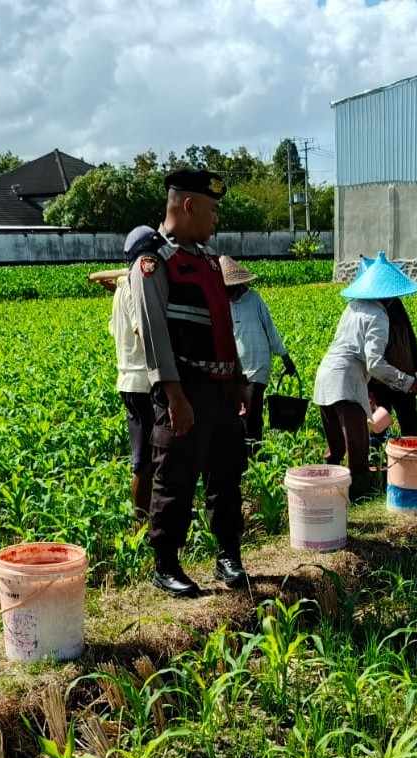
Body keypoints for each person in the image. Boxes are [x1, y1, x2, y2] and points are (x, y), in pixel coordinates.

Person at [131, 170, 248, 599]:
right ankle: (166, 563)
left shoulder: (208, 261)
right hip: (185, 389)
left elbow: (223, 328)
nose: (216, 218)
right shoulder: (153, 262)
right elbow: (154, 332)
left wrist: (236, 382)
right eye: (212, 209)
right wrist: (174, 393)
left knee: (227, 474)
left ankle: (228, 555)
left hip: (219, 388)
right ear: (188, 206)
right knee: (175, 477)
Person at [314, 252, 417, 500]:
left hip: (324, 379)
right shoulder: (379, 315)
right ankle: (356, 501)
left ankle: (323, 498)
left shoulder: (353, 306)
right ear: (386, 293)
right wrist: (407, 383)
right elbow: (375, 363)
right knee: (358, 452)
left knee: (335, 450)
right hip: (346, 382)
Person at [104, 225, 166, 520]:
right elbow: (144, 332)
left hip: (130, 380)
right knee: (144, 459)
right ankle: (141, 523)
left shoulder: (121, 287)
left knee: (151, 456)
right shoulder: (131, 286)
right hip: (142, 382)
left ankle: (149, 516)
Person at [219, 255, 295, 454]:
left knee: (252, 411)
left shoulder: (254, 299)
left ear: (238, 285)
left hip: (258, 365)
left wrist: (285, 356)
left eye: (230, 289)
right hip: (236, 368)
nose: (228, 293)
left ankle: (255, 453)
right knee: (238, 413)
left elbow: (270, 329)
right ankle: (243, 452)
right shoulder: (224, 304)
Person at [368, 291, 417, 439]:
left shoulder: (396, 305)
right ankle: (377, 459)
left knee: (409, 428)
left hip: (405, 378)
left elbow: (411, 339)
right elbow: (371, 357)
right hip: (380, 380)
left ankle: (410, 458)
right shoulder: (371, 308)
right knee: (378, 425)